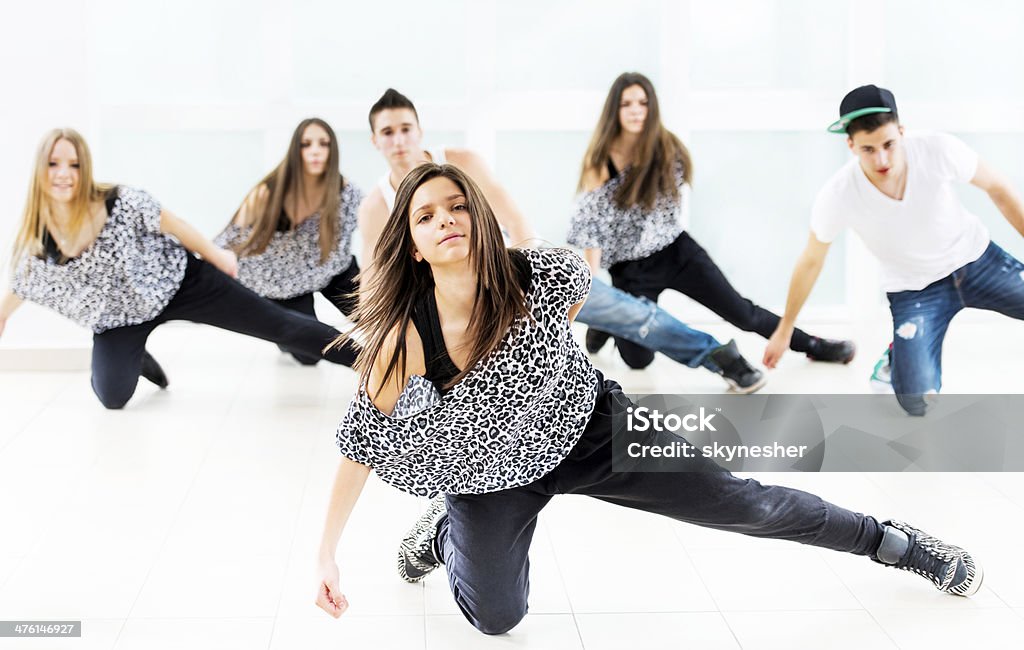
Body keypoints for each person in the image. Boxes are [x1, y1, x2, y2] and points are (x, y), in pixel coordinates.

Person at [314, 163, 982, 636]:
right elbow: (359, 444)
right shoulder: (404, 337)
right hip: (487, 477)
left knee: (747, 502)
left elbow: (581, 308)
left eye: (457, 206)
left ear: (478, 216)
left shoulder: (544, 273)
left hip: (592, 430)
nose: (446, 221)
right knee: (496, 619)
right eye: (426, 216)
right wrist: (327, 555)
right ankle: (444, 530)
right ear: (412, 244)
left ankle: (893, 543)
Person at [358, 88, 764, 392]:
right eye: (387, 133)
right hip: (456, 305)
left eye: (405, 129)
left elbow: (516, 221)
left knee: (626, 312)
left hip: (510, 270)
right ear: (375, 141)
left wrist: (525, 272)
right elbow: (379, 284)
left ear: (419, 130)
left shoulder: (459, 163)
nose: (399, 141)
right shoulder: (376, 206)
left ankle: (717, 355)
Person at [0, 128, 355, 409]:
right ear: (40, 170)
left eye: (74, 165)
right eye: (54, 164)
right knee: (112, 398)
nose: (65, 174)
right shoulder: (39, 239)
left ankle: (378, 365)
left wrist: (219, 257)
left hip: (183, 283)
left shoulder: (120, 200)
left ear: (85, 168)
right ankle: (138, 357)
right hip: (121, 318)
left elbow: (174, 224)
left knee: (280, 325)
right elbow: (24, 283)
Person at [764, 85, 1024, 415]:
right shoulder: (839, 194)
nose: (882, 159)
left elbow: (998, 188)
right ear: (851, 145)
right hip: (915, 291)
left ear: (902, 131)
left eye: (889, 144)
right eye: (868, 150)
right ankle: (896, 358)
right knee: (917, 402)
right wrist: (785, 329)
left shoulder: (937, 149)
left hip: (977, 261)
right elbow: (812, 260)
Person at [569, 72, 855, 371]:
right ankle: (608, 325)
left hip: (675, 253)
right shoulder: (600, 161)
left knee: (742, 313)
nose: (636, 110)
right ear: (614, 109)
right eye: (626, 104)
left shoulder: (667, 149)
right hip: (630, 270)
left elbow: (662, 210)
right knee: (639, 360)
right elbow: (591, 225)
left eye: (643, 102)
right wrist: (598, 290)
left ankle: (814, 345)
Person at [215, 118, 362, 364]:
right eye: (306, 144)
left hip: (333, 269)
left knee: (379, 317)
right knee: (309, 356)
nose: (315, 150)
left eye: (323, 144)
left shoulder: (345, 190)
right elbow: (229, 239)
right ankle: (284, 337)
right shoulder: (268, 193)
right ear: (296, 151)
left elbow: (376, 224)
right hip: (287, 282)